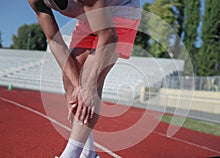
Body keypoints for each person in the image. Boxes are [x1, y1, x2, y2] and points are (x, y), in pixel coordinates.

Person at [28, 0, 140, 157]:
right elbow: (53, 39)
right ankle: (88, 154)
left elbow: (108, 36)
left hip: (121, 11)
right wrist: (77, 86)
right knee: (70, 81)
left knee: (89, 79)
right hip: (90, 17)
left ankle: (71, 154)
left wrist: (89, 87)